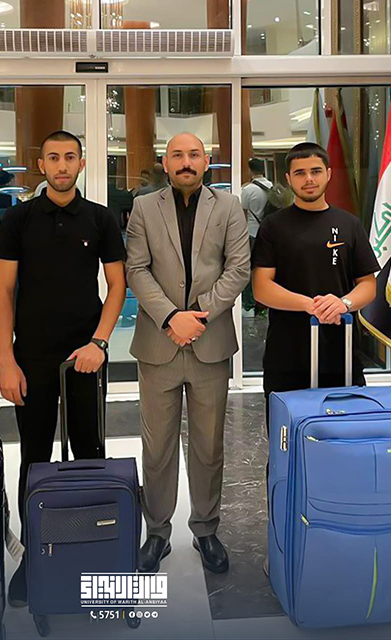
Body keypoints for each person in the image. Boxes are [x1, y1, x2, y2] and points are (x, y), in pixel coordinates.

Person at [0, 130, 127, 607]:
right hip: (31, 357)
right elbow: (2, 291)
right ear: (41, 164)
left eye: (70, 157)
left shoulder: (101, 218)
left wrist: (99, 342)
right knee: (34, 457)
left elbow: (116, 286)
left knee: (90, 452)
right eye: (54, 157)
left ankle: (92, 549)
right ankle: (35, 558)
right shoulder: (18, 219)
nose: (62, 165)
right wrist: (6, 361)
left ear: (82, 163)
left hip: (83, 357)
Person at [126, 132, 250, 575]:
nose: (186, 162)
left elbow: (239, 269)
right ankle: (157, 532)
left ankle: (206, 529)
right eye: (177, 155)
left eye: (194, 155)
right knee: (157, 446)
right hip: (158, 344)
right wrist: (169, 318)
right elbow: (136, 269)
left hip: (209, 342)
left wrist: (196, 314)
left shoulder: (229, 207)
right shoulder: (144, 207)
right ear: (165, 162)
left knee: (208, 445)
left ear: (207, 161)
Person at [251, 142, 379, 402]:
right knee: (286, 425)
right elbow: (261, 288)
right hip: (287, 354)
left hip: (341, 349)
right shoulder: (273, 226)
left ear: (328, 174)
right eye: (300, 173)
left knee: (342, 423)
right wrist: (310, 305)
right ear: (288, 179)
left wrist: (343, 303)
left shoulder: (349, 224)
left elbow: (368, 284)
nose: (309, 179)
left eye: (316, 171)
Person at [240, 158, 274, 247]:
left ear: (250, 171)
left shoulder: (247, 190)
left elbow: (243, 213)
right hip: (269, 230)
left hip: (253, 231)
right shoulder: (271, 186)